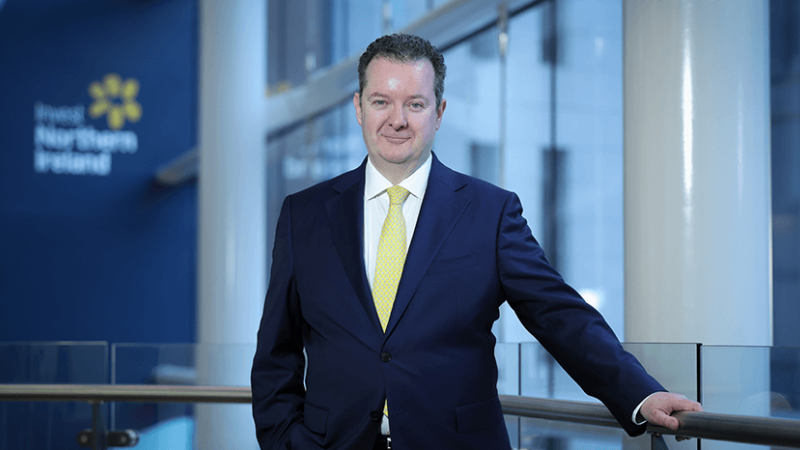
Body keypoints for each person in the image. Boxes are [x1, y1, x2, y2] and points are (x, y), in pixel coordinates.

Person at [251, 33, 702, 450]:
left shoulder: (490, 212)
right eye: (381, 101)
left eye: (415, 103)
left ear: (440, 112)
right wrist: (282, 439)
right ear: (358, 107)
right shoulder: (303, 214)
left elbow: (558, 314)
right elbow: (277, 349)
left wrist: (640, 394)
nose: (397, 120)